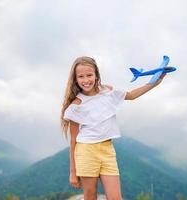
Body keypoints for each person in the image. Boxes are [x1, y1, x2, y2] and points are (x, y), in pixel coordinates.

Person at [60, 56, 165, 200]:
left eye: (89, 75)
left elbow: (131, 95)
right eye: (81, 76)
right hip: (86, 151)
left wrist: (154, 83)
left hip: (107, 150)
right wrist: (72, 172)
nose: (86, 80)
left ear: (96, 75)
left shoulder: (107, 91)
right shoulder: (76, 106)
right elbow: (73, 140)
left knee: (116, 198)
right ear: (76, 79)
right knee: (90, 196)